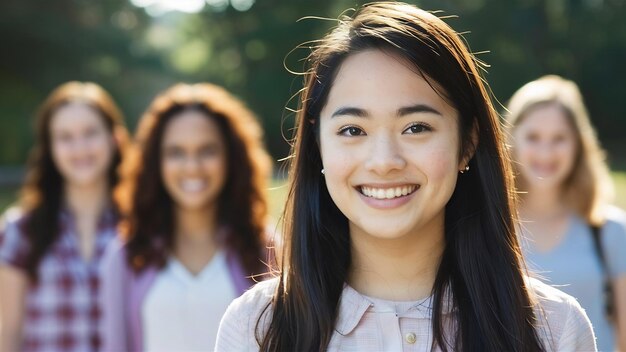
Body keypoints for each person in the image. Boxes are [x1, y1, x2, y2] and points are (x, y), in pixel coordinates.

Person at [215, 3, 596, 351]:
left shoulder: (553, 329)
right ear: (318, 145)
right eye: (352, 130)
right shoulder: (257, 328)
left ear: (467, 143)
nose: (384, 162)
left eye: (415, 127)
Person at [100, 83, 273, 352]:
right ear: (156, 163)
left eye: (207, 151)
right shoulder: (125, 255)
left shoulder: (267, 248)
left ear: (231, 159)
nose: (192, 167)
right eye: (176, 153)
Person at [0, 81, 129, 352]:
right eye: (65, 137)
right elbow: (7, 336)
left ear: (113, 138)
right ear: (51, 148)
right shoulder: (20, 230)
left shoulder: (141, 226)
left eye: (90, 133)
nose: (79, 147)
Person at [505, 75, 626, 351]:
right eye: (533, 137)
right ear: (512, 141)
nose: (546, 151)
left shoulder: (611, 230)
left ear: (578, 146)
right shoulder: (490, 227)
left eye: (559, 138)